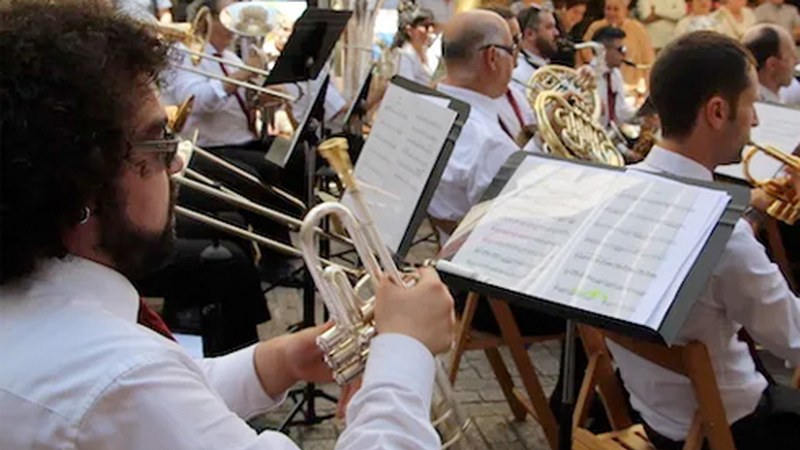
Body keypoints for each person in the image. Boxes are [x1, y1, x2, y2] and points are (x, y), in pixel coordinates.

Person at [0, 3, 457, 449]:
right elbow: (137, 391)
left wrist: (280, 360)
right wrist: (404, 352)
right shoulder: (123, 378)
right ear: (81, 184)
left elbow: (171, 402)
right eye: (158, 142)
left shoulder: (54, 321)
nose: (176, 162)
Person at [607, 31, 800, 450]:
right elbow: (795, 338)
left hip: (660, 419)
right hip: (736, 429)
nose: (756, 120)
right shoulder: (724, 239)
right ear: (717, 111)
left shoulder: (613, 187)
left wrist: (751, 218)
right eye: (751, 104)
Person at [428, 10, 521, 237]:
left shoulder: (424, 107)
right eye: (512, 50)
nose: (516, 63)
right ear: (492, 57)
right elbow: (509, 233)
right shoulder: (491, 144)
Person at [482, 5, 538, 142]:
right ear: (492, 53)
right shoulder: (482, 98)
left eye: (519, 38)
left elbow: (531, 122)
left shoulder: (511, 91)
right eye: (514, 40)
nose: (520, 46)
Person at [582, 0, 655, 86]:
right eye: (608, 9)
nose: (611, 13)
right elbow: (585, 52)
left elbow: (648, 59)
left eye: (616, 9)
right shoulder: (596, 27)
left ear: (625, 11)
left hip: (631, 84)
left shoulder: (638, 29)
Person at [591, 26, 637, 129]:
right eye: (620, 49)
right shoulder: (588, 75)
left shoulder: (615, 74)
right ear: (602, 50)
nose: (624, 54)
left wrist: (642, 116)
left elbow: (620, 110)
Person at [742, 24, 799, 103]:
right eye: (791, 56)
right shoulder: (755, 107)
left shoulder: (785, 92)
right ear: (772, 65)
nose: (797, 61)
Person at [390, 2, 437, 85]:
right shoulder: (404, 55)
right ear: (410, 30)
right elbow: (406, 88)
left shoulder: (431, 55)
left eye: (432, 25)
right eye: (425, 26)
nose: (430, 30)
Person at [513, 6, 561, 86]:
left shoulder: (545, 66)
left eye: (554, 27)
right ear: (530, 34)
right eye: (549, 27)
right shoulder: (518, 74)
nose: (556, 33)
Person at [551, 0, 589, 66]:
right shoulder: (551, 24)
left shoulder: (575, 31)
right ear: (564, 8)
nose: (578, 17)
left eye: (582, 14)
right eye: (575, 12)